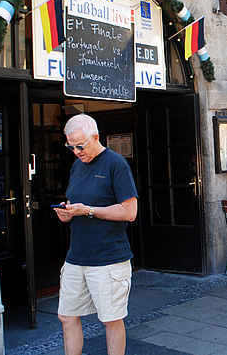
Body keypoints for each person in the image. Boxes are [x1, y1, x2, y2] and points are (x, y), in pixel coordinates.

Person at [53, 114, 139, 355]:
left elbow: (129, 211)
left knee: (110, 320)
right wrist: (69, 211)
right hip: (77, 255)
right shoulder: (77, 165)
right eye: (71, 146)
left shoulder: (115, 163)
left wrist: (88, 211)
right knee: (66, 316)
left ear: (96, 137)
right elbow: (77, 202)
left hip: (108, 257)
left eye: (80, 145)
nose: (76, 151)